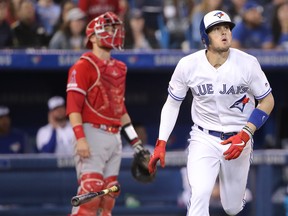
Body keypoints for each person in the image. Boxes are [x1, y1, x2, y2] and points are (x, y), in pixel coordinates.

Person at [148, 10, 274, 216]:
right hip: (203, 137)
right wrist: (161, 142)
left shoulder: (248, 63)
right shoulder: (188, 65)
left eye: (227, 28)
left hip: (238, 139)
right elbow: (172, 104)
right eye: (217, 29)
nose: (224, 32)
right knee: (199, 194)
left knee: (232, 208)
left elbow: (267, 100)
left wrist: (246, 134)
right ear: (205, 37)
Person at [66, 11, 151, 216]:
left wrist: (136, 143)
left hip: (114, 136)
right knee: (90, 193)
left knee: (108, 197)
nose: (113, 32)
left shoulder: (119, 68)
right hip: (91, 132)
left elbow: (119, 109)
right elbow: (73, 107)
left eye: (115, 29)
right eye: (108, 29)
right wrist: (81, 139)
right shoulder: (83, 65)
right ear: (93, 37)